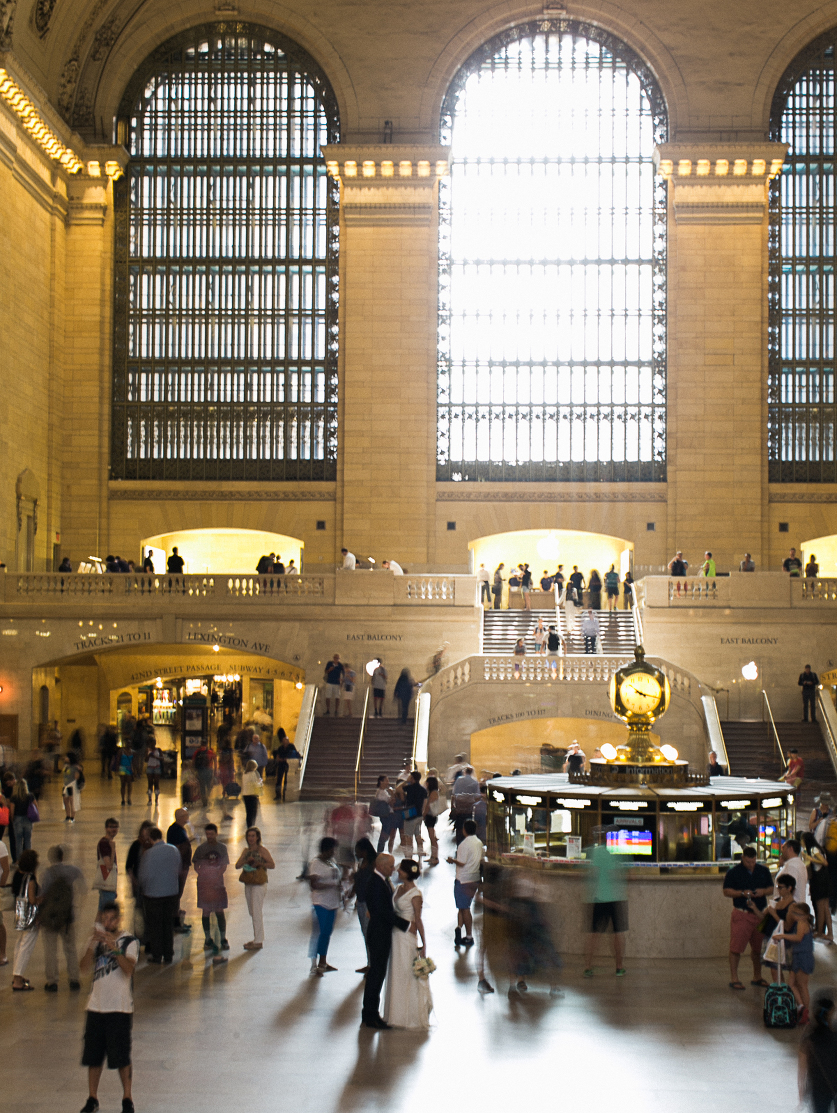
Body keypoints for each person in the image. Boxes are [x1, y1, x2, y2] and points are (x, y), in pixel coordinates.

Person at [78, 901, 139, 1113]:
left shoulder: (129, 941)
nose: (108, 923)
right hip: (96, 1006)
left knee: (121, 1056)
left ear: (119, 920)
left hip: (119, 1008)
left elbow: (129, 969)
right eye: (104, 919)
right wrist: (92, 945)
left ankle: (127, 1098)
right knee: (93, 1056)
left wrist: (116, 949)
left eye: (112, 919)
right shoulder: (95, 942)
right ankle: (92, 1097)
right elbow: (83, 968)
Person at [362, 853, 414, 1029]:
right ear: (381, 866)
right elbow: (382, 912)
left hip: (381, 933)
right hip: (378, 934)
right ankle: (370, 1015)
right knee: (376, 975)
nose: (393, 869)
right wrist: (406, 925)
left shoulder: (381, 881)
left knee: (378, 974)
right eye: (391, 866)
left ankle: (371, 1013)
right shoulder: (376, 883)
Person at [383, 859, 431, 1029]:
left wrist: (424, 943)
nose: (398, 871)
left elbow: (418, 919)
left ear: (407, 873)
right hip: (395, 935)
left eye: (401, 870)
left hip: (407, 936)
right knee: (396, 971)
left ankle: (405, 1014)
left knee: (405, 972)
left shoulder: (415, 895)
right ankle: (394, 1013)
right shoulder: (398, 888)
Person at [722, 844, 774, 989]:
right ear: (742, 858)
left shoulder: (763, 870)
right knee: (736, 947)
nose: (751, 864)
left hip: (760, 913)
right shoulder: (734, 872)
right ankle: (734, 978)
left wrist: (763, 891)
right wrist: (742, 893)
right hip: (742, 913)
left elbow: (771, 888)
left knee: (758, 949)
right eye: (748, 862)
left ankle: (757, 976)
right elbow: (726, 891)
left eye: (753, 861)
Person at [40, 844, 85, 992]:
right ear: (62, 856)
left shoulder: (47, 874)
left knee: (51, 951)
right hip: (67, 917)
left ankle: (52, 981)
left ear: (51, 858)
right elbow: (83, 887)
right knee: (70, 948)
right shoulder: (73, 870)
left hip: (51, 918)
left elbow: (43, 894)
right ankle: (74, 979)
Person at [583, 840, 628, 977]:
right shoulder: (618, 853)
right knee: (618, 934)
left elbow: (593, 873)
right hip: (615, 898)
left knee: (594, 934)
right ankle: (619, 967)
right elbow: (622, 874)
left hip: (599, 898)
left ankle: (588, 967)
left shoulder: (596, 852)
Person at [138, 826, 180, 963]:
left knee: (155, 926)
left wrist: (143, 888)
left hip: (153, 895)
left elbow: (143, 876)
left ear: (150, 839)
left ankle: (157, 955)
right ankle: (168, 954)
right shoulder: (173, 850)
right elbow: (178, 868)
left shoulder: (148, 854)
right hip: (171, 894)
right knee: (168, 924)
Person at [774, 902, 815, 1023]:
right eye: (795, 913)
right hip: (798, 956)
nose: (796, 916)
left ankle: (805, 1011)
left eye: (799, 914)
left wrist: (783, 936)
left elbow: (798, 937)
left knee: (802, 985)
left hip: (803, 956)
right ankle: (801, 1007)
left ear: (806, 915)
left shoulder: (802, 924)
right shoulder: (800, 923)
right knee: (791, 984)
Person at [235, 827, 274, 950]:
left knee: (256, 911)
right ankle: (257, 937)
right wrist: (246, 860)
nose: (251, 838)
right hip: (249, 883)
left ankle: (258, 940)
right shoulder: (246, 851)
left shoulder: (262, 850)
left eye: (253, 836)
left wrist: (260, 863)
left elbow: (272, 864)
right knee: (252, 911)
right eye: (249, 836)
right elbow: (237, 865)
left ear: (257, 837)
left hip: (259, 883)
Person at [307, 836, 341, 976]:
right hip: (320, 902)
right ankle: (314, 963)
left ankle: (323, 961)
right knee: (319, 933)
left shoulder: (332, 862)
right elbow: (313, 885)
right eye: (332, 849)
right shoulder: (316, 864)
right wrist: (330, 886)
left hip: (333, 902)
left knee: (327, 933)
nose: (334, 852)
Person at [193, 823, 229, 952]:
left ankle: (223, 938)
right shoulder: (201, 849)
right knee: (206, 910)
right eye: (207, 834)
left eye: (211, 834)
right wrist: (203, 874)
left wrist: (216, 876)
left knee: (219, 910)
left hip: (217, 884)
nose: (209, 836)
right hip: (204, 885)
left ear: (216, 834)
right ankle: (207, 938)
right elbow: (196, 865)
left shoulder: (222, 848)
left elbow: (224, 865)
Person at [447, 818, 483, 947]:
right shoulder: (479, 843)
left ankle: (469, 936)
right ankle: (459, 928)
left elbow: (462, 862)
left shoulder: (463, 845)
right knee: (462, 907)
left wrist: (452, 860)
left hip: (463, 879)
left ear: (464, 830)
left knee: (465, 908)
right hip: (475, 878)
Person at [799, 993, 837, 1113]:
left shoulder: (809, 1039)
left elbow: (802, 1070)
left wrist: (801, 1093)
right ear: (830, 1013)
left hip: (818, 1088)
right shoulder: (835, 1035)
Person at [11, 848, 40, 990]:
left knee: (20, 943)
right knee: (26, 945)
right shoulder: (30, 879)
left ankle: (16, 975)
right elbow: (32, 899)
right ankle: (18, 979)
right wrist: (43, 898)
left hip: (19, 911)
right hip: (30, 915)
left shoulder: (17, 874)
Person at [801, 831, 833, 942]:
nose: (801, 843)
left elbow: (824, 862)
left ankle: (820, 932)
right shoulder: (818, 848)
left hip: (819, 882)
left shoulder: (813, 850)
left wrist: (809, 858)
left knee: (821, 909)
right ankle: (830, 933)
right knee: (825, 908)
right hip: (824, 881)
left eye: (802, 840)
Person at [165, 808, 193, 935]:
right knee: (176, 894)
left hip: (182, 866)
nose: (187, 817)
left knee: (178, 894)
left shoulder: (180, 829)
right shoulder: (175, 830)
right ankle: (175, 922)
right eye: (185, 815)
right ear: (180, 817)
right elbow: (177, 849)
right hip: (178, 867)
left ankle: (178, 921)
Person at [351, 837, 377, 973]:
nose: (356, 853)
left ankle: (373, 964)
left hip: (369, 903)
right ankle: (370, 963)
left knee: (370, 934)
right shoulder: (362, 863)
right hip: (361, 902)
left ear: (365, 851)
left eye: (358, 851)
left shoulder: (374, 864)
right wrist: (352, 893)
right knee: (365, 934)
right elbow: (358, 881)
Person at [92, 818, 120, 912]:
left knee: (101, 912)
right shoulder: (104, 843)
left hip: (108, 885)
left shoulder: (107, 842)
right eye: (111, 827)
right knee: (107, 913)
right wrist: (112, 849)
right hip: (107, 885)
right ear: (106, 828)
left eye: (116, 827)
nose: (114, 829)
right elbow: (109, 866)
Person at [401, 769, 427, 855]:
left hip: (410, 814)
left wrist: (406, 781)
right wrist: (422, 813)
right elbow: (425, 803)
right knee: (417, 834)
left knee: (408, 836)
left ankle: (409, 854)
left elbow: (398, 788)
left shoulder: (409, 788)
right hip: (419, 814)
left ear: (412, 778)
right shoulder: (423, 790)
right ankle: (420, 851)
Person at [10, 776, 35, 861]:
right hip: (28, 819)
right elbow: (35, 806)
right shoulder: (30, 796)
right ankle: (28, 859)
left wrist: (12, 819)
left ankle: (19, 860)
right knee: (28, 840)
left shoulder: (14, 797)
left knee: (18, 842)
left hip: (18, 819)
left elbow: (12, 811)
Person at [423, 774, 443, 865]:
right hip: (431, 816)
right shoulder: (433, 792)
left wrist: (424, 814)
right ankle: (433, 856)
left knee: (432, 838)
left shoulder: (433, 792)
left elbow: (428, 805)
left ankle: (435, 857)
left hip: (430, 816)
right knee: (432, 837)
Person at [193, 740, 215, 807]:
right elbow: (214, 760)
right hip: (208, 770)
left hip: (200, 771)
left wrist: (194, 770)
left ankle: (204, 801)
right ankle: (208, 797)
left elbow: (193, 761)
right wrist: (215, 769)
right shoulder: (210, 752)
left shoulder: (197, 752)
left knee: (202, 786)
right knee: (209, 785)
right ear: (207, 744)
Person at [241, 759, 263, 828]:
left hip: (245, 795)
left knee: (248, 812)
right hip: (252, 795)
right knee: (253, 812)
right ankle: (252, 826)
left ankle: (249, 826)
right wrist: (260, 781)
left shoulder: (244, 774)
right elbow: (256, 783)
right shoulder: (253, 774)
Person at [62, 752, 82, 821]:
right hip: (65, 785)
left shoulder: (76, 767)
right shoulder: (66, 766)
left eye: (66, 757)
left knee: (72, 801)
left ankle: (72, 817)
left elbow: (77, 777)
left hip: (72, 785)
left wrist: (78, 771)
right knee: (65, 800)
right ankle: (67, 815)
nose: (65, 758)